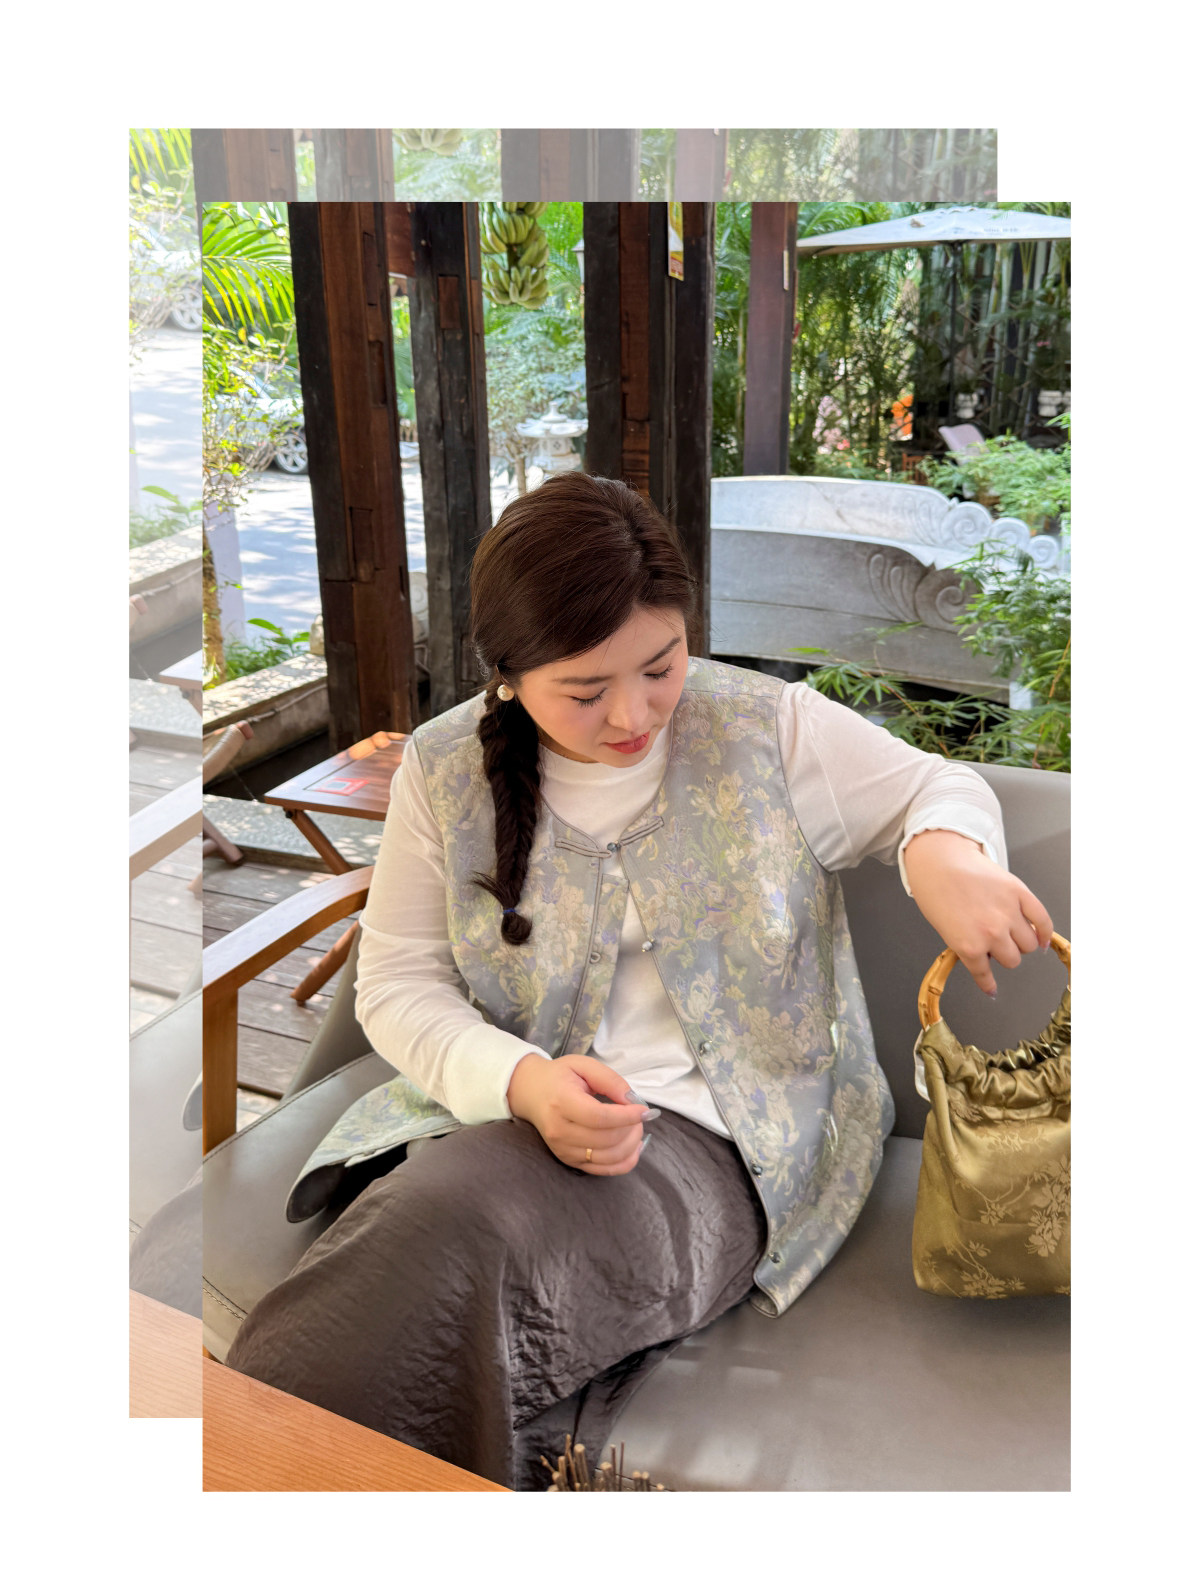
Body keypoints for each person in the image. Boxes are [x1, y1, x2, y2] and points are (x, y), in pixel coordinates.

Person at [224, 472, 1053, 1489]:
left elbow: (938, 784)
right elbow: (397, 984)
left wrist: (945, 856)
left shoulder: (769, 729)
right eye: (584, 690)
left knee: (452, 1238)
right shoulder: (443, 772)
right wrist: (523, 1082)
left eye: (662, 665)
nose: (634, 712)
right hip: (497, 1122)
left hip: (724, 1148)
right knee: (437, 1238)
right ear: (507, 674)